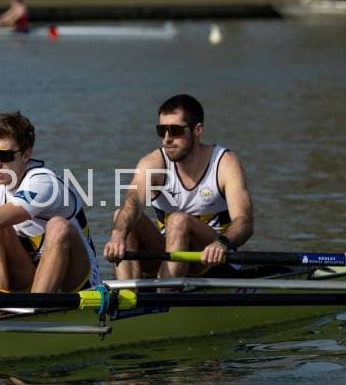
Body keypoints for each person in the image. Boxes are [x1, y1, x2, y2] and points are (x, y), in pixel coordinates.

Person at [0, 112, 100, 293]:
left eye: (5, 156)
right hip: (31, 276)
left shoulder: (43, 183)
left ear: (26, 155)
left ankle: (36, 306)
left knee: (57, 226)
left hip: (76, 282)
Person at [103, 94, 254, 281]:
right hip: (168, 255)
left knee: (178, 221)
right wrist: (118, 234)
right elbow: (133, 202)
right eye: (162, 131)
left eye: (175, 131)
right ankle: (127, 294)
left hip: (213, 258)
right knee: (122, 217)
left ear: (197, 130)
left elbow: (245, 222)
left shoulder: (225, 163)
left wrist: (222, 242)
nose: (167, 139)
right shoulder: (153, 163)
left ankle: (164, 293)